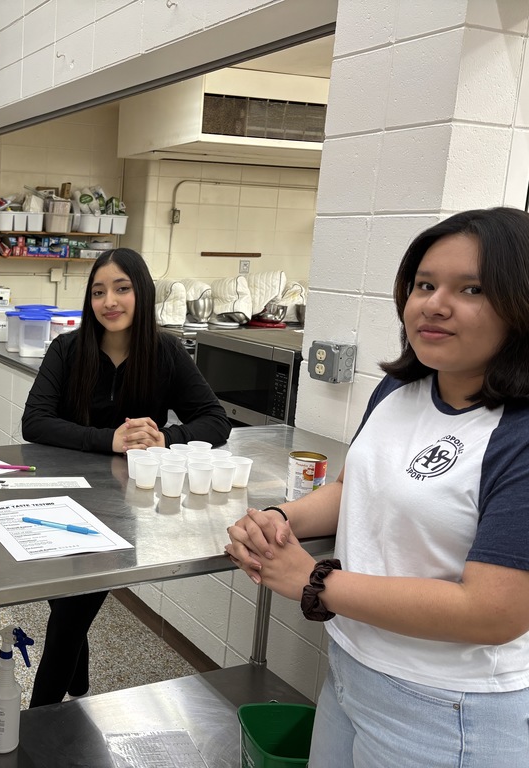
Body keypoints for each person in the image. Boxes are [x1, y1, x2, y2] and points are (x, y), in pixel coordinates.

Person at [225, 208, 529, 766]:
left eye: (471, 289)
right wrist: (283, 517)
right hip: (352, 667)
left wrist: (314, 580)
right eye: (425, 284)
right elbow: (353, 489)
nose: (434, 304)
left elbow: (494, 612)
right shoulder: (399, 388)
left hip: (450, 707)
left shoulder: (518, 433)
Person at [21, 247, 232, 707]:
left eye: (121, 288)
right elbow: (34, 421)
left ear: (143, 294)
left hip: (122, 507)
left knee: (70, 614)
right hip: (60, 496)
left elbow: (215, 420)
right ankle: (78, 684)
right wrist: (108, 440)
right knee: (66, 602)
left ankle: (38, 723)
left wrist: (166, 438)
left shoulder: (165, 352)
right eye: (98, 292)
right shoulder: (68, 349)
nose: (109, 301)